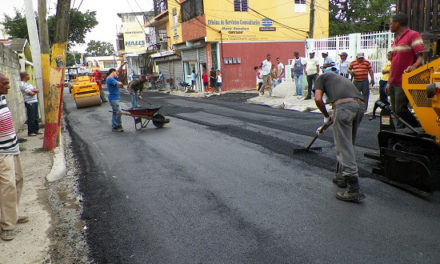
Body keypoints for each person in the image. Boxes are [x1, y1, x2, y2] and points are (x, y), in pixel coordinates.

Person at [314, 72, 366, 202]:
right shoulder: (338, 81)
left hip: (345, 107)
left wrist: (325, 115)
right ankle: (341, 176)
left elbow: (318, 99)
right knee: (348, 143)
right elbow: (338, 111)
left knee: (343, 146)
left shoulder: (320, 78)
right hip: (360, 106)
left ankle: (354, 188)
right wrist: (325, 125)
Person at [0, 73, 28, 241]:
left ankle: (13, 215)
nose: (8, 86)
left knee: (18, 180)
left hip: (13, 148)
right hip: (2, 152)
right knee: (7, 188)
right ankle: (7, 226)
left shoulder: (2, 98)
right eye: (5, 83)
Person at [387, 13, 424, 128]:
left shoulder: (413, 35)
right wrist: (389, 82)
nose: (390, 25)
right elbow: (394, 62)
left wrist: (414, 66)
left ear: (397, 23)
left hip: (404, 81)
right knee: (395, 111)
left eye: (391, 23)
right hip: (394, 80)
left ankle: (416, 128)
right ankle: (401, 134)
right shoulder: (396, 39)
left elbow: (421, 56)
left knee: (399, 109)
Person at [19, 72, 40, 136]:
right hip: (29, 102)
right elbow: (31, 93)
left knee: (36, 117)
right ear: (25, 76)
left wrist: (34, 91)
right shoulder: (22, 84)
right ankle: (31, 132)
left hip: (34, 101)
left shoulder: (28, 84)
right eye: (28, 75)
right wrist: (34, 91)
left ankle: (36, 130)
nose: (29, 76)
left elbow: (37, 90)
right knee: (31, 117)